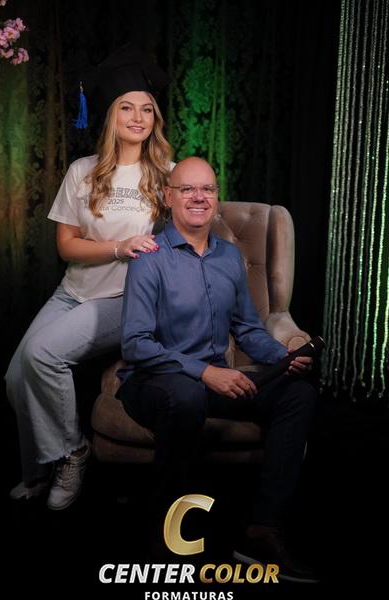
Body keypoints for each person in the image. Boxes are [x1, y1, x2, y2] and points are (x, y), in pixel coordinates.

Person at [117, 156, 319, 582]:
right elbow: (136, 344)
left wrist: (281, 356)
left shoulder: (229, 257)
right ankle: (168, 533)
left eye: (207, 189)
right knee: (187, 395)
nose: (199, 197)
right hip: (153, 382)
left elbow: (247, 329)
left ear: (216, 197)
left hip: (212, 381)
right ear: (169, 197)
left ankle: (262, 530)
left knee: (297, 394)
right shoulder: (150, 257)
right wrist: (205, 372)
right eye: (187, 189)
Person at [5, 42, 174, 511]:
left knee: (42, 354)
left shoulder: (167, 175)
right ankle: (38, 470)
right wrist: (119, 247)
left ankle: (72, 452)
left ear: (155, 118)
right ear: (111, 116)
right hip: (73, 292)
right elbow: (67, 246)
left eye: (146, 109)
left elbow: (190, 238)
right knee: (15, 378)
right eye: (127, 108)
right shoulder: (83, 171)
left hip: (125, 299)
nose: (138, 117)